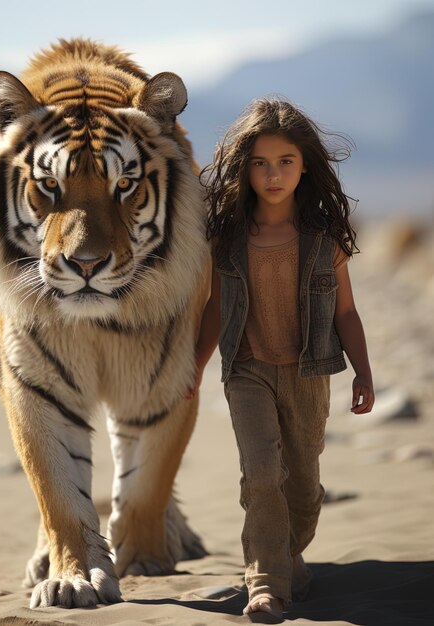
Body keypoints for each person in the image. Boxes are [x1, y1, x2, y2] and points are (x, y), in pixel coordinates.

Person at [188, 98, 374, 622]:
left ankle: (290, 555)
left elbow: (348, 313)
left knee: (303, 484)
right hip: (246, 369)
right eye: (260, 163)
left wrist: (364, 372)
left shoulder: (322, 240)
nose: (273, 174)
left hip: (309, 370)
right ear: (244, 168)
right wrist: (196, 367)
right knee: (261, 473)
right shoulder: (227, 238)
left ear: (304, 165)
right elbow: (215, 306)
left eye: (285, 161)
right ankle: (266, 584)